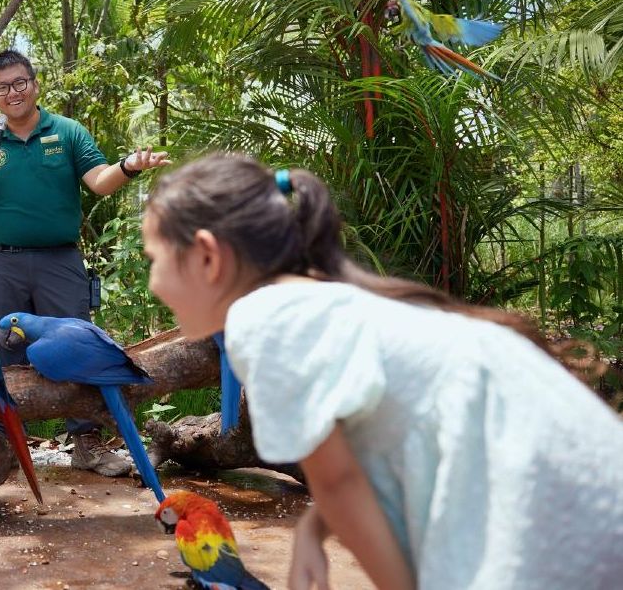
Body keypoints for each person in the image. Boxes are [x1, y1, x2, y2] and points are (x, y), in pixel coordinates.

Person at [141, 153, 623, 590]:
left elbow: (341, 485)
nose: (153, 282)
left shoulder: (263, 320)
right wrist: (313, 527)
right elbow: (369, 460)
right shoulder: (324, 302)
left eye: (154, 260)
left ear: (208, 256)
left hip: (546, 527)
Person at [0, 48, 169, 476]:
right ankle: (7, 443)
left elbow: (100, 182)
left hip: (61, 261)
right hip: (2, 264)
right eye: (2, 88)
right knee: (5, 357)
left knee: (77, 350)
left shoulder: (67, 132)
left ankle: (86, 441)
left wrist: (128, 165)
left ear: (34, 84)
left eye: (19, 83)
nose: (12, 93)